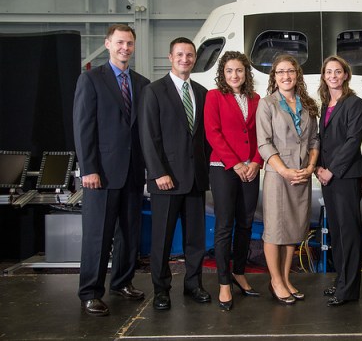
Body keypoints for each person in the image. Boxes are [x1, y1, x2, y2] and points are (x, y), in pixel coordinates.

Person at [73, 24, 150, 316]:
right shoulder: (91, 80)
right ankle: (90, 292)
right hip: (101, 174)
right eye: (120, 42)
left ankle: (122, 282)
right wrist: (88, 169)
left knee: (129, 232)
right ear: (107, 44)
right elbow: (83, 129)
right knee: (98, 235)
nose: (125, 48)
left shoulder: (142, 83)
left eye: (129, 43)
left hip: (132, 172)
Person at [139, 37, 211, 311]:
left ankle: (193, 285)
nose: (185, 59)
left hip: (195, 179)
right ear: (170, 57)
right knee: (162, 240)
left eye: (190, 55)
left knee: (195, 240)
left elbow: (203, 139)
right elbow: (148, 135)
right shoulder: (154, 91)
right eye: (180, 54)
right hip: (165, 180)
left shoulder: (202, 92)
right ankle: (161, 289)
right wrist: (158, 172)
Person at [256, 54, 319, 305]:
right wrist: (284, 171)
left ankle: (285, 278)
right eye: (280, 72)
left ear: (297, 75)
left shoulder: (308, 104)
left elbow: (314, 140)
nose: (286, 76)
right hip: (278, 176)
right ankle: (275, 281)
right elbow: (264, 143)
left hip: (302, 176)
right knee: (274, 231)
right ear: (274, 76)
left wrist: (311, 167)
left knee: (293, 230)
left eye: (290, 71)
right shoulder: (267, 104)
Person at [204, 51, 263, 311]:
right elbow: (212, 133)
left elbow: (263, 133)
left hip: (251, 168)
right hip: (224, 168)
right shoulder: (214, 96)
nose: (234, 75)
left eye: (239, 70)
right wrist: (236, 163)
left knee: (246, 223)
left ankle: (239, 271)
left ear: (245, 73)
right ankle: (224, 282)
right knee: (225, 225)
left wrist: (255, 162)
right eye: (229, 70)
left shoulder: (256, 99)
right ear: (223, 73)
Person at [315, 56, 362, 307]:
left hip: (345, 177)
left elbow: (352, 142)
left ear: (346, 74)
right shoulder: (326, 104)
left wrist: (331, 170)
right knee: (336, 231)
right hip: (328, 177)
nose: (333, 76)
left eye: (338, 71)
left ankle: (349, 289)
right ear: (324, 76)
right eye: (328, 72)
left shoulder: (355, 104)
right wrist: (317, 167)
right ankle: (342, 280)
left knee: (348, 233)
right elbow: (322, 141)